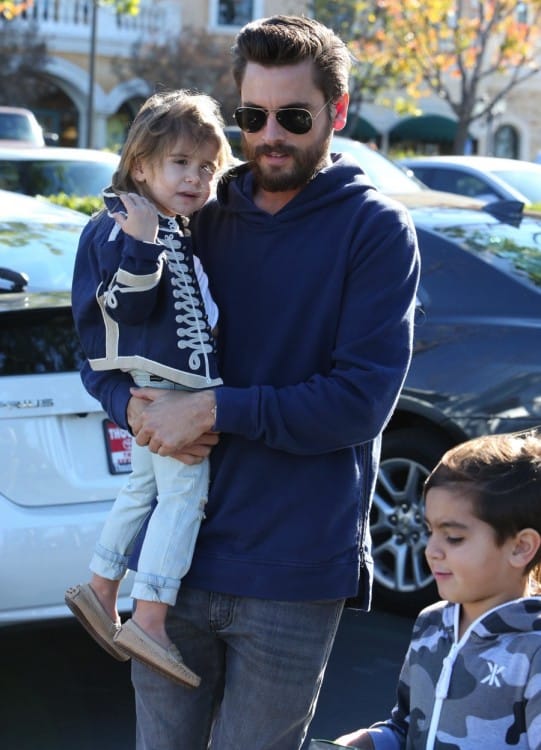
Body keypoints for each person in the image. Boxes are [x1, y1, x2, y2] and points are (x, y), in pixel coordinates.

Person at [79, 15, 421, 750]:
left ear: (336, 111)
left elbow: (357, 402)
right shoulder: (195, 210)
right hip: (173, 567)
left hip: (292, 572)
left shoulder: (374, 230)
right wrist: (135, 410)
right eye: (252, 117)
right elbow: (103, 351)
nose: (269, 135)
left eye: (293, 118)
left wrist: (206, 408)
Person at [65, 89, 233, 688]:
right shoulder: (128, 225)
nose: (196, 178)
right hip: (170, 387)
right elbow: (128, 309)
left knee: (141, 488)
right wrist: (142, 243)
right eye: (181, 164)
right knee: (184, 497)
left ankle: (102, 585)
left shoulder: (171, 222)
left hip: (164, 382)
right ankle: (152, 614)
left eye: (208, 167)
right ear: (141, 166)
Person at [333, 431, 541, 750]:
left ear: (521, 547)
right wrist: (369, 743)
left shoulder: (533, 651)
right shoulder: (431, 624)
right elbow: (407, 726)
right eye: (430, 531)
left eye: (454, 537)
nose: (432, 550)